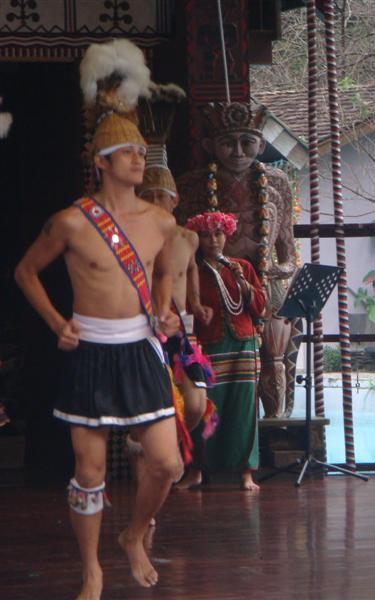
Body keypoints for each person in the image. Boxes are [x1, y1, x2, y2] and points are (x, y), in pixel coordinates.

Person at [14, 39, 182, 599]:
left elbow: (165, 273)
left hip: (140, 351)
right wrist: (56, 322)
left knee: (167, 463)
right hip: (90, 351)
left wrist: (164, 309)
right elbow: (25, 272)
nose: (139, 158)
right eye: (127, 151)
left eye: (141, 151)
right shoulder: (71, 222)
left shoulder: (160, 222)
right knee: (89, 472)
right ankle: (91, 569)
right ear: (102, 161)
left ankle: (134, 534)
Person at [176, 102, 298, 418]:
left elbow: (288, 255)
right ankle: (218, 425)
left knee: (273, 358)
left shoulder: (277, 183)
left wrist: (275, 271)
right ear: (210, 146)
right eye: (228, 143)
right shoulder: (193, 185)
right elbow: (181, 249)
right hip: (211, 285)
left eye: (248, 142)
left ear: (262, 145)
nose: (239, 152)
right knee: (213, 358)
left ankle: (273, 425)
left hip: (265, 285)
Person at [136, 161, 218, 490]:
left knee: (196, 404)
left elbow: (190, 271)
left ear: (175, 200)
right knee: (152, 404)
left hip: (183, 332)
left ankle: (168, 447)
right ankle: (152, 460)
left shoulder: (189, 238)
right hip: (147, 331)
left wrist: (197, 305)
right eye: (148, 195)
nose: (156, 201)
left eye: (162, 195)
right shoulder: (134, 239)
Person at [186, 210, 266, 490]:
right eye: (206, 235)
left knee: (244, 410)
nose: (213, 240)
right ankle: (197, 470)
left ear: (227, 235)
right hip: (208, 346)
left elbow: (260, 308)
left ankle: (246, 472)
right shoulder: (192, 271)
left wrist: (243, 284)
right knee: (206, 409)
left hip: (243, 345)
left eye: (218, 234)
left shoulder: (242, 266)